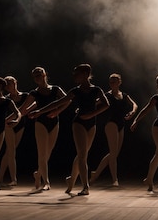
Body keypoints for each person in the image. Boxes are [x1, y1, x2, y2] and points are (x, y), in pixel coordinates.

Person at [30, 64, 109, 195]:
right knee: (82, 155)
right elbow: (58, 102)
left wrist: (91, 114)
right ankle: (85, 187)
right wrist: (40, 111)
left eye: (77, 73)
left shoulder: (96, 90)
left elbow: (106, 104)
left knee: (82, 155)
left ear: (85, 74)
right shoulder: (75, 91)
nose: (74, 76)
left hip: (91, 124)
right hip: (78, 124)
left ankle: (71, 180)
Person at [90, 73, 138, 187]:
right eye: (110, 82)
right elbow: (95, 103)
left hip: (121, 124)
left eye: (114, 81)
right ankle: (114, 179)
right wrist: (83, 109)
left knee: (114, 154)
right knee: (113, 153)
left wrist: (132, 112)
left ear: (119, 82)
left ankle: (96, 173)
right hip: (111, 124)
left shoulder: (124, 95)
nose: (112, 83)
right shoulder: (107, 95)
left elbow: (134, 104)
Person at [25, 66, 67, 192]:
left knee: (48, 152)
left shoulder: (55, 89)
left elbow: (68, 100)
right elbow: (23, 108)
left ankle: (38, 174)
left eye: (40, 74)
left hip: (54, 122)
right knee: (42, 153)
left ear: (45, 75)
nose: (38, 77)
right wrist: (15, 118)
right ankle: (46, 182)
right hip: (41, 123)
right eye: (35, 76)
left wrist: (58, 111)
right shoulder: (34, 93)